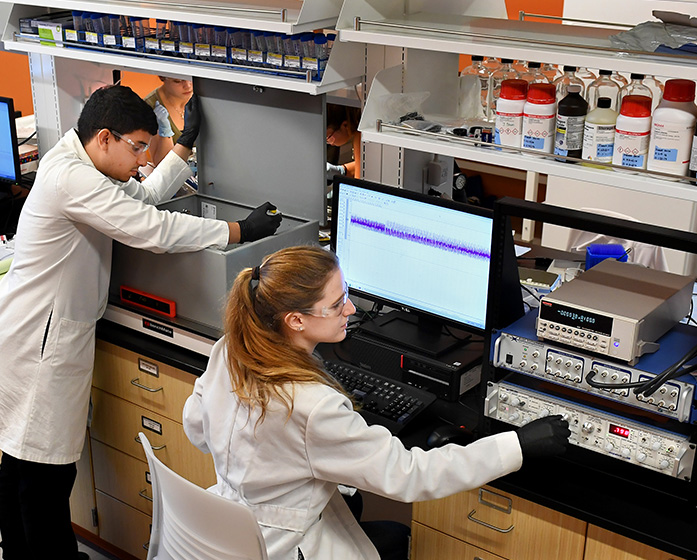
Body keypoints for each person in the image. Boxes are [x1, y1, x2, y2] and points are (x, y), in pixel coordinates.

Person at [0, 84, 282, 560]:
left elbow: (145, 197)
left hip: (35, 332)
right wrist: (238, 231)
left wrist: (184, 145)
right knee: (42, 481)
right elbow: (153, 228)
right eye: (136, 148)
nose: (141, 159)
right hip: (41, 345)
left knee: (21, 469)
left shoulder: (86, 161)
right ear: (104, 137)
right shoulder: (72, 178)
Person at [183, 245, 570, 560]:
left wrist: (279, 466)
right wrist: (517, 445)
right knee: (395, 534)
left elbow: (196, 430)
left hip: (227, 529)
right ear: (296, 320)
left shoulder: (230, 349)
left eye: (347, 294)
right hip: (280, 548)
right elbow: (410, 476)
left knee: (356, 506)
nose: (351, 309)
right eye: (337, 304)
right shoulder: (313, 406)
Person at [143, 76, 193, 165]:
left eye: (191, 79)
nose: (188, 86)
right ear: (162, 78)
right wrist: (165, 133)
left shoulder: (202, 95)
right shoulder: (151, 106)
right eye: (178, 81)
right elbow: (162, 164)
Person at [326, 103, 362, 182]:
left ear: (345, 125)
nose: (329, 143)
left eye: (328, 138)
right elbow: (365, 165)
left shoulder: (360, 134)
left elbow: (359, 182)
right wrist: (342, 171)